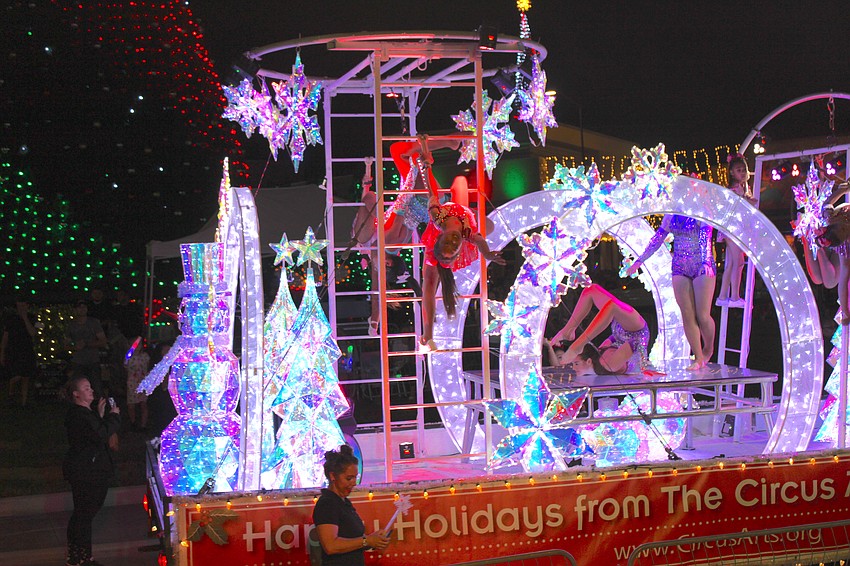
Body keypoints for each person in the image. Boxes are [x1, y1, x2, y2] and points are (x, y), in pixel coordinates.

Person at [414, 135, 505, 353]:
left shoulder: (437, 218)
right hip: (464, 210)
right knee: (429, 283)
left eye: (451, 244)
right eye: (456, 248)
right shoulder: (466, 232)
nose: (456, 242)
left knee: (428, 280)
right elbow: (480, 240)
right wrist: (488, 255)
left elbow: (430, 189)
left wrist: (425, 154)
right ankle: (428, 333)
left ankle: (427, 333)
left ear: (441, 238)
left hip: (450, 214)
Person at [626, 214, 716, 370]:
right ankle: (699, 357)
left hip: (701, 264)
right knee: (686, 313)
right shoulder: (671, 214)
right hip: (680, 265)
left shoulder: (699, 210)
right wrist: (639, 260)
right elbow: (658, 238)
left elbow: (705, 237)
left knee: (702, 315)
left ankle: (709, 347)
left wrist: (706, 260)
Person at [62, 375, 120, 566]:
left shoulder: (85, 413)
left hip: (90, 471)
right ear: (76, 394)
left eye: (90, 387)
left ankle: (79, 555)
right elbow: (100, 434)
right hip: (87, 473)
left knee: (83, 514)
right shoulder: (78, 414)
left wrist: (101, 415)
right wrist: (114, 416)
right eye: (86, 388)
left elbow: (94, 432)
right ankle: (81, 557)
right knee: (84, 515)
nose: (91, 390)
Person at [546, 284, 650, 376]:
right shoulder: (611, 365)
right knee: (612, 307)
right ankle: (577, 346)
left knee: (590, 290)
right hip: (636, 332)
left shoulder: (601, 352)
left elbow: (617, 339)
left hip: (621, 329)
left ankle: (568, 330)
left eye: (574, 364)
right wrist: (576, 347)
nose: (573, 368)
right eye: (576, 363)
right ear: (588, 362)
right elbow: (636, 342)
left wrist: (613, 339)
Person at [313, 444, 390, 565]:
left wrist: (372, 539)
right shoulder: (327, 504)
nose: (354, 483)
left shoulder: (344, 502)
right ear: (333, 476)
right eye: (349, 478)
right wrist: (367, 541)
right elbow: (330, 545)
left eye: (355, 477)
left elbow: (352, 541)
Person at [716, 154, 756, 307]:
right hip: (732, 228)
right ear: (732, 173)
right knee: (738, 262)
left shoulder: (744, 188)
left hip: (736, 228)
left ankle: (723, 295)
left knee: (732, 263)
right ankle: (734, 297)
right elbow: (745, 204)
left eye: (744, 170)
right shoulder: (734, 190)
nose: (743, 173)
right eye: (739, 170)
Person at [64, 300, 108, 395]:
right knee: (78, 388)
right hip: (78, 361)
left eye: (84, 307)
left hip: (92, 360)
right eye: (80, 307)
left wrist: (87, 344)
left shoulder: (94, 323)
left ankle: (100, 407)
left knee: (97, 388)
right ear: (75, 309)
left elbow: (103, 341)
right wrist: (74, 346)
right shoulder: (71, 325)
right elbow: (66, 344)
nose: (82, 309)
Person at [1, 298, 37, 406]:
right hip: (13, 351)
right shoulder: (11, 319)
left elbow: (33, 333)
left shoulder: (32, 317)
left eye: (24, 304)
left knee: (26, 376)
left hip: (27, 350)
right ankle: (11, 393)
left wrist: (25, 318)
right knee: (16, 374)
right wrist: (2, 352)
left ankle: (23, 402)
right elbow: (5, 337)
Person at [124, 339, 149, 431]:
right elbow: (125, 366)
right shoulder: (129, 356)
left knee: (143, 404)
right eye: (135, 345)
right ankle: (133, 423)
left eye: (140, 344)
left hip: (143, 383)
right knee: (131, 405)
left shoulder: (145, 356)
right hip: (132, 383)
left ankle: (143, 425)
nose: (138, 346)